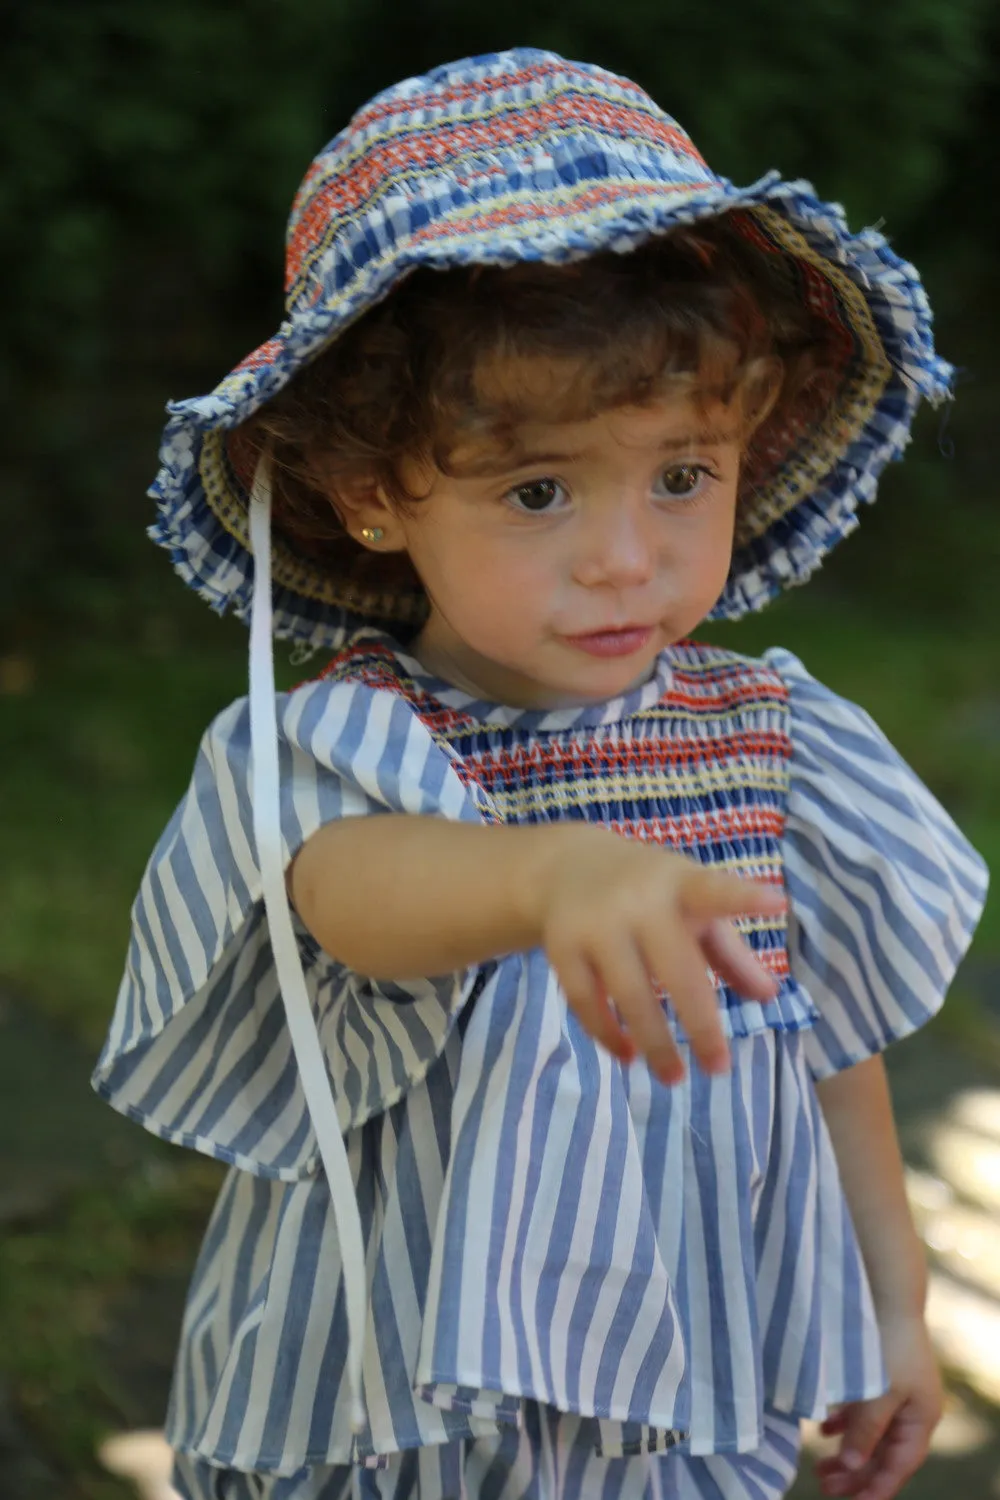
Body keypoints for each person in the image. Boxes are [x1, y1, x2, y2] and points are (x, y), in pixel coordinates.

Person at [92, 47, 989, 1500]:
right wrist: (548, 874)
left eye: (681, 475)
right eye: (539, 490)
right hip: (400, 1387)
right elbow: (350, 896)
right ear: (377, 495)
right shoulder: (362, 737)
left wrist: (892, 1304)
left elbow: (834, 1054)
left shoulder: (775, 745)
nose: (626, 555)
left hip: (688, 1373)